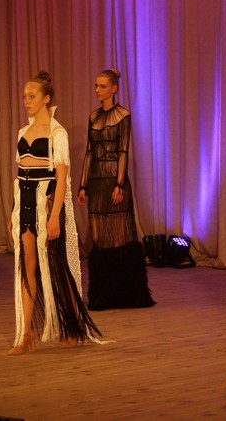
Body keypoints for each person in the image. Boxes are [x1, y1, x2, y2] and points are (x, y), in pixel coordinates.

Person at [8, 71, 101, 355]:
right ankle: (26, 333)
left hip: (46, 204)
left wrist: (54, 216)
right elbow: (20, 174)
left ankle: (72, 326)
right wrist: (13, 212)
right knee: (27, 267)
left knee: (58, 268)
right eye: (24, 96)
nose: (26, 100)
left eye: (32, 96)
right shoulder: (23, 132)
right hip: (24, 203)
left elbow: (62, 179)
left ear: (46, 98)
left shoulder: (57, 133)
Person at [77, 69, 154, 310]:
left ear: (114, 88)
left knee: (120, 237)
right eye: (96, 85)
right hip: (97, 182)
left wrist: (119, 184)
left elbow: (123, 151)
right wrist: (82, 185)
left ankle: (128, 294)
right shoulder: (93, 117)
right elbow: (89, 152)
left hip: (114, 180)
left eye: (102, 86)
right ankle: (103, 295)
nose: (97, 90)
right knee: (100, 240)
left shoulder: (123, 115)